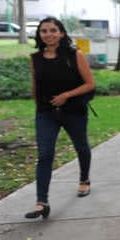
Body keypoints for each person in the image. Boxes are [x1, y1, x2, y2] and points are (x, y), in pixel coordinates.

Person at [26, 17, 96, 219]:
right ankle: (42, 202)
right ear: (39, 35)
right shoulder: (35, 58)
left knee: (81, 146)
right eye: (44, 31)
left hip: (73, 111)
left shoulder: (74, 55)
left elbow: (89, 84)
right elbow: (35, 85)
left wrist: (66, 96)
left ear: (61, 33)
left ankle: (84, 180)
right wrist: (38, 105)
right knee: (45, 154)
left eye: (53, 30)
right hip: (46, 113)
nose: (49, 34)